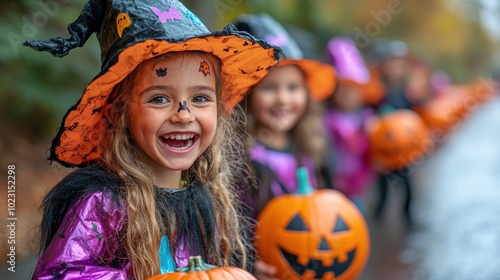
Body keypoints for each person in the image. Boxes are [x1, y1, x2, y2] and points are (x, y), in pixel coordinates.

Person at [24, 0, 281, 279]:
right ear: (119, 114)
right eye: (159, 98)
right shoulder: (104, 203)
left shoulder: (205, 200)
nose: (184, 115)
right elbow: (59, 274)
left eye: (200, 98)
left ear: (219, 109)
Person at [233, 13, 337, 280]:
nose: (283, 99)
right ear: (248, 93)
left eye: (293, 88)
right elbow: (231, 223)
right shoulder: (239, 155)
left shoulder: (307, 147)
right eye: (269, 88)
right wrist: (246, 263)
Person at [323, 37, 377, 213]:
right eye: (344, 90)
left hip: (357, 186)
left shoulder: (366, 118)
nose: (349, 96)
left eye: (354, 91)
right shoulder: (326, 118)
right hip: (330, 185)